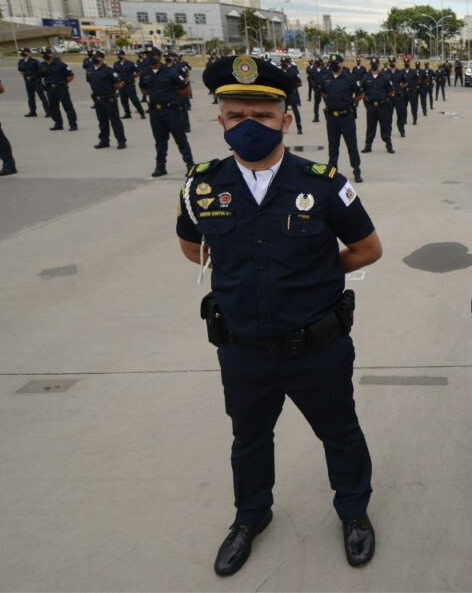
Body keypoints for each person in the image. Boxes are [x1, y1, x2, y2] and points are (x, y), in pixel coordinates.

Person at [180, 55, 382, 577]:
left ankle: (354, 512)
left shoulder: (322, 182)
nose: (250, 125)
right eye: (237, 113)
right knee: (248, 439)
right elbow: (192, 248)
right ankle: (250, 516)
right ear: (220, 120)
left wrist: (316, 274)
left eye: (263, 116)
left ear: (286, 120)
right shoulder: (202, 185)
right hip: (243, 349)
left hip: (316, 348)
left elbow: (366, 248)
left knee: (340, 433)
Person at [142, 45, 194, 177]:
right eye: (147, 56)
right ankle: (160, 167)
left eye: (152, 56)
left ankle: (190, 166)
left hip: (171, 111)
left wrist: (170, 95)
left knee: (181, 140)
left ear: (159, 57)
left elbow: (186, 90)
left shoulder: (170, 72)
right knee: (159, 141)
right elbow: (144, 89)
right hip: (155, 112)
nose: (150, 58)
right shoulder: (145, 73)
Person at [317, 53, 365, 183]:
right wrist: (332, 102)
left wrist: (351, 102)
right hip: (332, 118)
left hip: (347, 117)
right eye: (332, 63)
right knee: (333, 146)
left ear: (342, 63)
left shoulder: (350, 78)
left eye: (336, 63)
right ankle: (332, 170)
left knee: (352, 146)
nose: (334, 65)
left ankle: (356, 170)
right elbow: (323, 92)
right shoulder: (325, 78)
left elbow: (360, 94)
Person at [87, 49, 127, 149]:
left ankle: (121, 141)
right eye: (93, 57)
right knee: (102, 121)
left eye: (97, 57)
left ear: (102, 58)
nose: (94, 59)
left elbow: (119, 84)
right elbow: (90, 81)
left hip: (109, 99)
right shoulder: (90, 69)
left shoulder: (108, 70)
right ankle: (104, 140)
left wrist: (108, 90)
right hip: (97, 99)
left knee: (115, 121)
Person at [360, 57, 394, 154]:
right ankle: (368, 146)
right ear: (370, 65)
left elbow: (391, 91)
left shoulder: (385, 77)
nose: (374, 66)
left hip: (382, 106)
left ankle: (389, 145)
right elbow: (362, 92)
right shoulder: (366, 77)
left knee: (385, 126)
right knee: (370, 127)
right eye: (372, 64)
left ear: (379, 65)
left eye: (376, 64)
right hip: (371, 106)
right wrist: (366, 103)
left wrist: (385, 100)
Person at [41, 49, 78, 131]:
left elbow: (70, 75)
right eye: (43, 54)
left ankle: (73, 124)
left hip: (61, 88)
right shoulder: (41, 65)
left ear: (51, 54)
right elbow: (40, 76)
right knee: (53, 107)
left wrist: (64, 83)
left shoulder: (60, 64)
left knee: (68, 107)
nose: (44, 55)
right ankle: (58, 124)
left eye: (46, 54)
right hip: (50, 89)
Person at [114, 50, 146, 119]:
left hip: (129, 84)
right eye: (118, 55)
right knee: (123, 100)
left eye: (120, 55)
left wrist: (133, 77)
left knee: (134, 100)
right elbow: (115, 74)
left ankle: (142, 113)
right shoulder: (116, 64)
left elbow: (138, 72)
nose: (119, 56)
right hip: (121, 85)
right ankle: (127, 114)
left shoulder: (130, 63)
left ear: (124, 55)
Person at [18, 47, 48, 117]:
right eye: (22, 52)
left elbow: (40, 71)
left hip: (36, 81)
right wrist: (26, 76)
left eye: (24, 52)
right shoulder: (21, 61)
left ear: (28, 53)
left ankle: (48, 112)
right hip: (28, 83)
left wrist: (34, 77)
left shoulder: (34, 61)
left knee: (42, 97)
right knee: (30, 98)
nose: (23, 53)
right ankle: (32, 111)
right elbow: (21, 70)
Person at [279, 56, 304, 134]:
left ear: (287, 63)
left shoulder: (292, 72)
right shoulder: (278, 72)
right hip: (283, 95)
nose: (283, 64)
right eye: (282, 62)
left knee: (295, 111)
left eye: (285, 62)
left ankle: (299, 127)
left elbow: (299, 83)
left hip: (292, 94)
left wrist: (292, 87)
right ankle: (282, 127)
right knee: (283, 112)